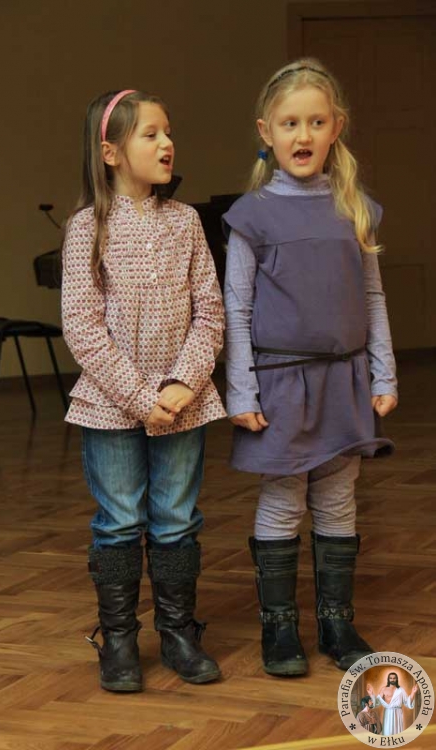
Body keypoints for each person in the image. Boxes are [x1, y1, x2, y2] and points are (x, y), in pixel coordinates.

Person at [223, 58, 398, 676]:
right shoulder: (252, 215)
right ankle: (279, 628)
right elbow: (236, 307)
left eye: (316, 122)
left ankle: (336, 621)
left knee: (338, 497)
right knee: (282, 498)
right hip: (280, 384)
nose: (303, 135)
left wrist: (383, 373)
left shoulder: (354, 209)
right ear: (266, 132)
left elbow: (372, 296)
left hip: (344, 379)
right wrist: (241, 390)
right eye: (290, 123)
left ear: (336, 128)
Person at [61, 89, 226, 693]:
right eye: (150, 134)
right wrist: (139, 397)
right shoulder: (87, 228)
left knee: (177, 520)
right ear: (110, 152)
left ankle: (179, 633)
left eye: (168, 132)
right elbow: (82, 326)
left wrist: (183, 384)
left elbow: (210, 313)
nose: (166, 143)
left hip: (184, 403)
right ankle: (120, 640)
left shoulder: (185, 222)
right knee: (119, 522)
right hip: (109, 405)